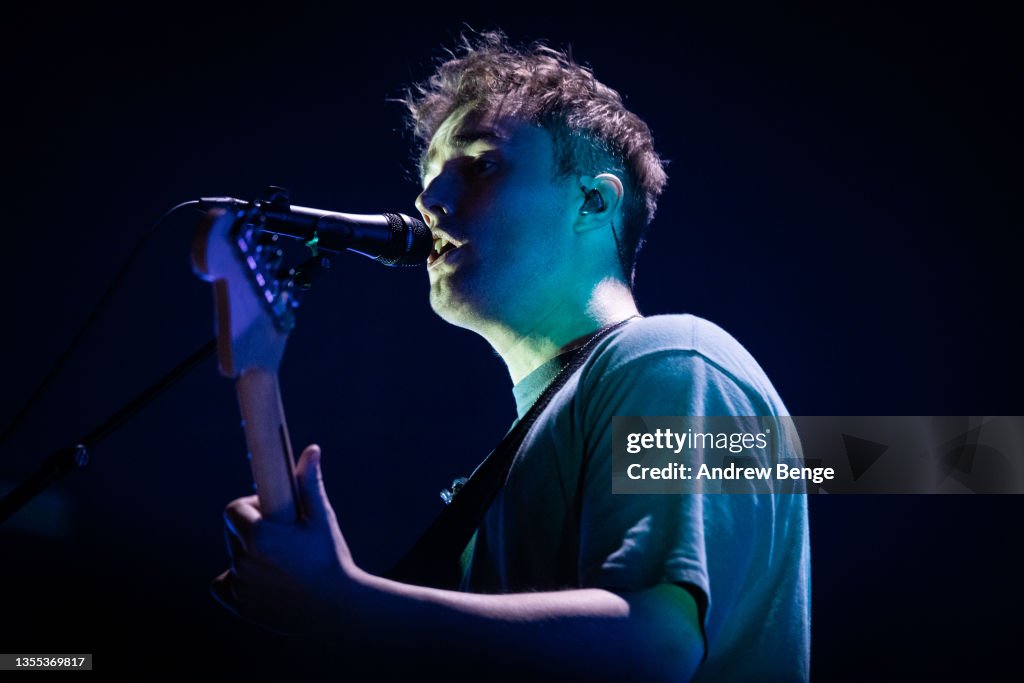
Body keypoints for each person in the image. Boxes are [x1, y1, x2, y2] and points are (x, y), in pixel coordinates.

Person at [215, 31, 810, 682]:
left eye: (479, 164)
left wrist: (349, 602)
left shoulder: (672, 356)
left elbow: (654, 647)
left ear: (594, 200)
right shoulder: (522, 452)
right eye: (429, 179)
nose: (429, 201)